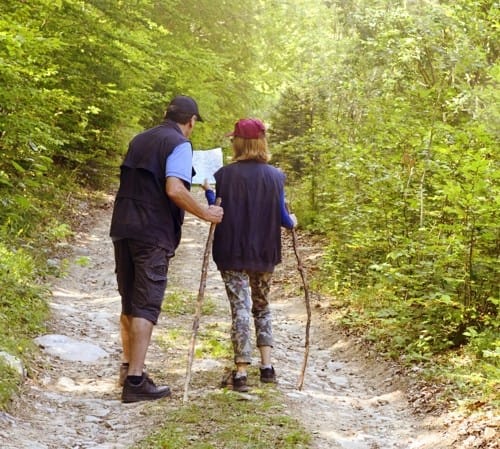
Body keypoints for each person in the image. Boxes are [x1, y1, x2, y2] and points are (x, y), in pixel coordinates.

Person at [110, 95, 224, 403]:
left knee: (130, 301)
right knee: (146, 303)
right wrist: (206, 213)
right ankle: (135, 380)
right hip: (152, 231)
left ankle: (127, 367)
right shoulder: (179, 145)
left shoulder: (139, 139)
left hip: (123, 227)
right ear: (191, 121)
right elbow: (174, 188)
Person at [202, 118, 296, 392]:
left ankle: (241, 370)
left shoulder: (223, 175)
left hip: (232, 252)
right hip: (264, 253)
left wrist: (208, 194)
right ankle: (267, 367)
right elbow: (284, 219)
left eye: (234, 139)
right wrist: (293, 220)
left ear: (239, 142)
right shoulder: (276, 177)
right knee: (262, 305)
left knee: (240, 309)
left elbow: (217, 210)